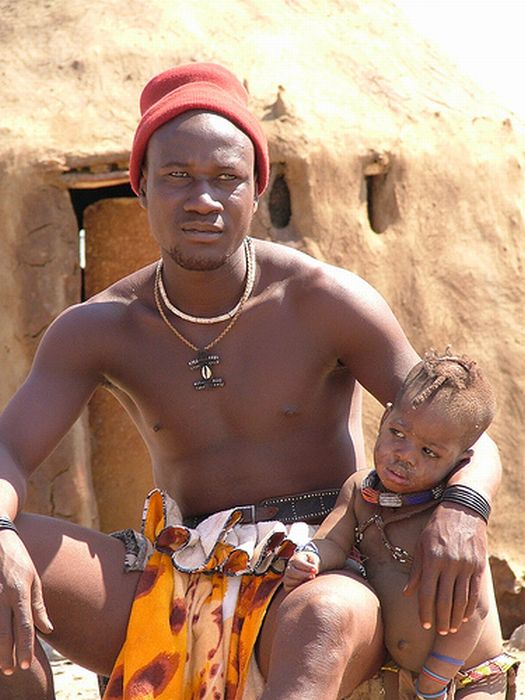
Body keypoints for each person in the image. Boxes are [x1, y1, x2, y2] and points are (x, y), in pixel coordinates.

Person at [0, 62, 502, 700]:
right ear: (141, 185)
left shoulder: (323, 300)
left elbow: (463, 431)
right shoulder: (101, 326)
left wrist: (464, 508)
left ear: (257, 189)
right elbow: (8, 449)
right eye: (177, 176)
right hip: (181, 564)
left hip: (321, 564)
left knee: (323, 619)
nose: (202, 199)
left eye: (226, 178)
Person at [284, 349, 518, 699]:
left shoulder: (446, 528)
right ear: (384, 418)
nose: (405, 455)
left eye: (429, 452)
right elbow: (333, 540)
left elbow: (475, 610)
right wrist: (311, 557)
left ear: (461, 459)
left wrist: (436, 679)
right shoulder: (360, 491)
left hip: (466, 673)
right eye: (397, 432)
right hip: (402, 674)